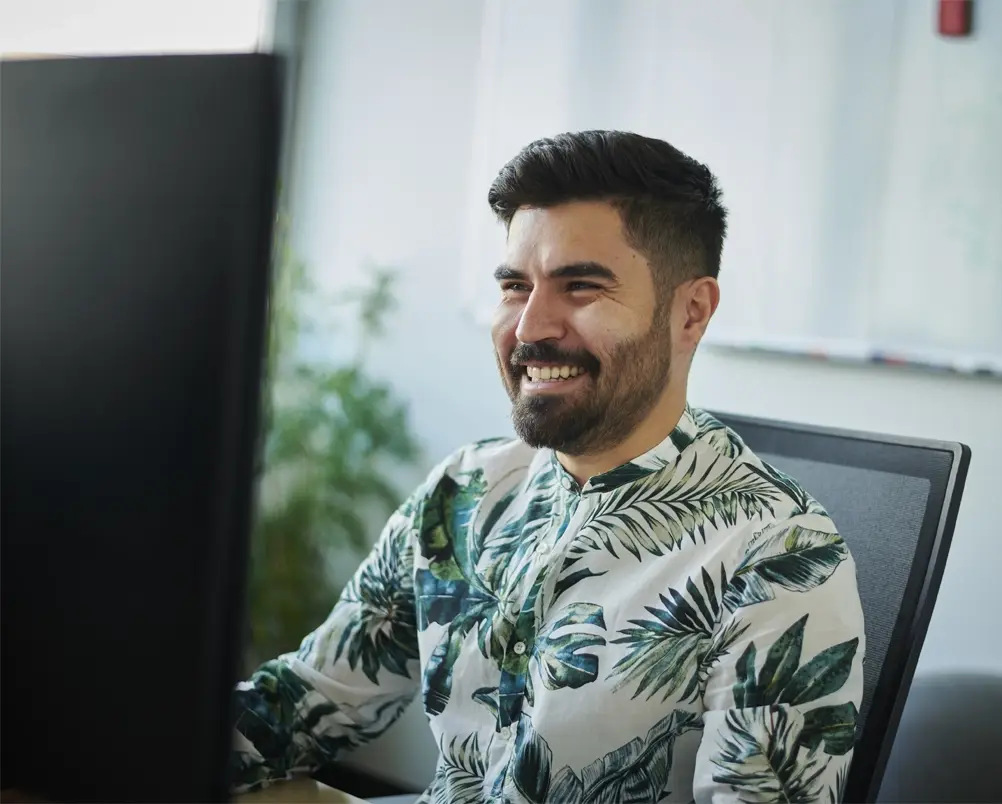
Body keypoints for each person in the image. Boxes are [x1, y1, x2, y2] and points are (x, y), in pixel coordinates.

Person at [232, 131, 865, 803]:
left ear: (691, 312)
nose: (531, 327)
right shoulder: (466, 491)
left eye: (581, 287)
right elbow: (304, 702)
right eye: (515, 286)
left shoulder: (776, 554)